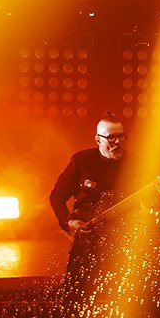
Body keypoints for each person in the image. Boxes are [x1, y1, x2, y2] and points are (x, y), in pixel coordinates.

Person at [50, 115, 127, 303]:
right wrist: (68, 222)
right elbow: (57, 197)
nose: (117, 142)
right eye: (111, 137)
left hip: (123, 242)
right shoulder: (82, 161)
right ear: (98, 139)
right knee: (77, 295)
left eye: (121, 136)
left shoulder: (136, 164)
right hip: (87, 241)